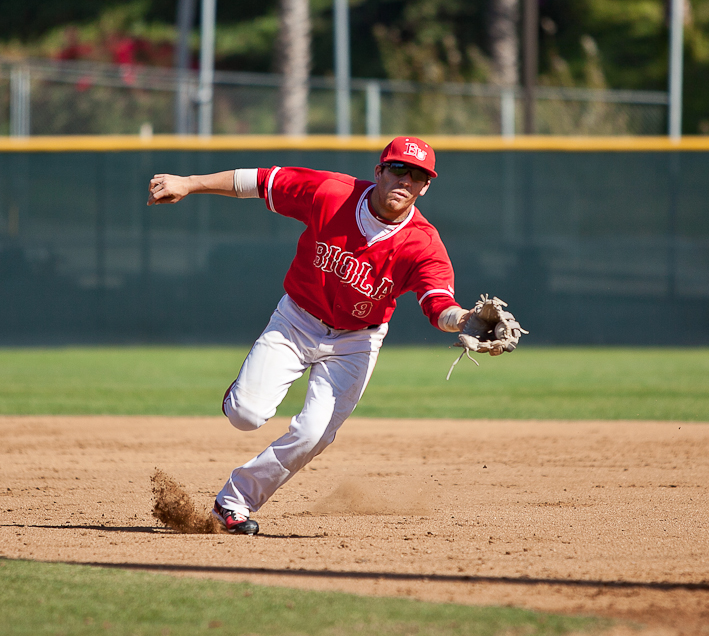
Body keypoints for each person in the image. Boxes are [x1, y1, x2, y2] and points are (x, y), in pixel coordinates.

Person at [146, 136, 473, 536]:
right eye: (398, 169)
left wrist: (463, 320)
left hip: (356, 342)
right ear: (379, 172)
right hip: (297, 321)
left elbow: (438, 301)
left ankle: (233, 503)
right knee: (245, 416)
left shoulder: (423, 244)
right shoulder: (332, 193)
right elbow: (259, 181)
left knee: (312, 433)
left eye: (417, 175)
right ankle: (240, 397)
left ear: (425, 187)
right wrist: (190, 182)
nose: (405, 180)